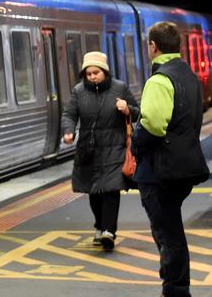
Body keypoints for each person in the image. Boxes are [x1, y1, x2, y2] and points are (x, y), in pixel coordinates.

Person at [131, 21, 210, 297]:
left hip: (159, 171)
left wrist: (135, 139)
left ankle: (175, 288)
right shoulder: (188, 74)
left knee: (168, 233)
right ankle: (175, 283)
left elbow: (153, 124)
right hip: (184, 167)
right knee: (171, 230)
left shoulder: (159, 79)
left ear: (153, 46)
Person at [61, 51, 140, 251]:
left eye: (96, 72)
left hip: (115, 147)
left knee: (111, 189)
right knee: (93, 190)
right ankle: (99, 225)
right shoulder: (79, 92)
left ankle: (109, 231)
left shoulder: (119, 88)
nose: (92, 76)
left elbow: (139, 111)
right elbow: (69, 114)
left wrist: (127, 109)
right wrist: (68, 131)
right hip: (89, 149)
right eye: (88, 74)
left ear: (105, 71)